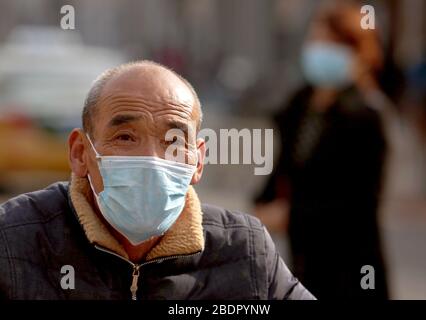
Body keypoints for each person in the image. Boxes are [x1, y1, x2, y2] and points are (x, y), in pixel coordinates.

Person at [0, 60, 314, 300]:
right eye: (125, 137)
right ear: (81, 153)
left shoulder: (244, 252)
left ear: (198, 160)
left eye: (174, 141)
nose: (152, 158)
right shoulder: (14, 242)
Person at [254, 2, 389, 299]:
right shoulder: (299, 106)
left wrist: (292, 216)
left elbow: (361, 204)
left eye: (332, 43)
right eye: (316, 40)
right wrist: (257, 210)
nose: (320, 49)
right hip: (304, 258)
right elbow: (283, 169)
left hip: (351, 265)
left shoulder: (366, 116)